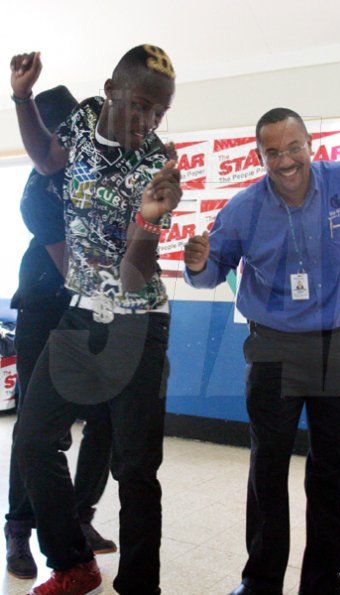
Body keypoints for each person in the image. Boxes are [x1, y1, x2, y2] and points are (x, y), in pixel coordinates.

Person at [183, 107, 340, 595]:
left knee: (333, 469)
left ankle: (322, 579)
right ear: (259, 157)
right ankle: (260, 580)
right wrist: (198, 264)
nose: (285, 160)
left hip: (338, 341)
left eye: (293, 147)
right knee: (268, 468)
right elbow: (211, 271)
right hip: (274, 346)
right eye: (272, 152)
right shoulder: (243, 208)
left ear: (310, 145)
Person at [9, 45, 182, 595]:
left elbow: (134, 276)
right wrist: (22, 97)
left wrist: (151, 221)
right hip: (80, 311)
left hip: (138, 320)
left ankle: (139, 585)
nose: (146, 121)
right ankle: (73, 562)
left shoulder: (156, 165)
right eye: (138, 105)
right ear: (110, 90)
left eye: (158, 112)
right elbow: (46, 161)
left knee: (134, 468)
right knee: (34, 437)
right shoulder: (83, 117)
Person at [6, 85, 115, 581]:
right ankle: (20, 530)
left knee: (107, 416)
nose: (72, 142)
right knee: (34, 425)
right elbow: (76, 271)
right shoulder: (37, 193)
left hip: (85, 308)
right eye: (61, 135)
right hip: (47, 309)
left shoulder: (90, 172)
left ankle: (75, 515)